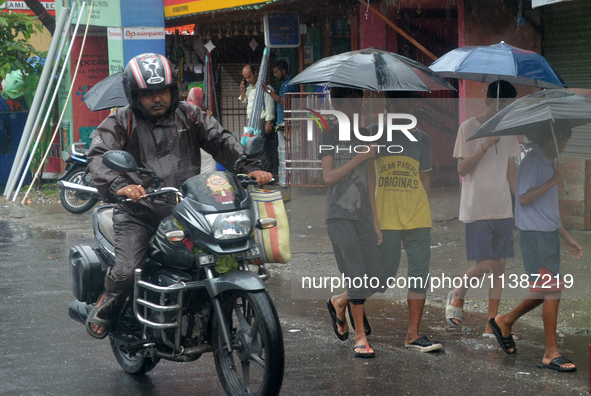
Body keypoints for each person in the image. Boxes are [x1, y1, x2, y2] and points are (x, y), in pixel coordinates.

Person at [85, 53, 272, 339]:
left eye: (162, 91)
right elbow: (99, 156)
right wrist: (120, 185)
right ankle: (106, 305)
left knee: (231, 252)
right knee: (126, 270)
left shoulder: (190, 114)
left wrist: (250, 167)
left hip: (187, 208)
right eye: (148, 94)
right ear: (135, 95)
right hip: (139, 211)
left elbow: (221, 140)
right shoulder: (121, 121)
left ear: (173, 91)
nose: (157, 99)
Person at [489, 126, 581, 372]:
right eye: (564, 140)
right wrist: (554, 180)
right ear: (555, 137)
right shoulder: (532, 162)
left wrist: (565, 236)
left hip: (548, 234)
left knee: (546, 290)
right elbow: (523, 199)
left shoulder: (549, 162)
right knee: (552, 289)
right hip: (535, 236)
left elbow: (547, 209)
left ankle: (504, 320)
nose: (564, 146)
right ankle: (550, 353)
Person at [367, 91, 442, 352]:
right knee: (383, 275)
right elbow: (368, 178)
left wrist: (424, 209)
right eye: (403, 105)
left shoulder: (422, 139)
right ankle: (343, 299)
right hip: (386, 217)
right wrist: (373, 219)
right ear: (390, 106)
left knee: (419, 275)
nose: (409, 111)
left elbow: (425, 179)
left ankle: (413, 334)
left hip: (418, 217)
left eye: (411, 106)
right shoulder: (374, 132)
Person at [447, 80, 520, 337]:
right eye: (500, 105)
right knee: (485, 264)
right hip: (476, 207)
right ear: (488, 101)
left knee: (500, 265)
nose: (503, 111)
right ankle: (458, 292)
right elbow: (462, 169)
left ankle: (492, 322)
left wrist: (520, 203)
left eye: (508, 107)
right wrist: (485, 145)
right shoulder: (469, 127)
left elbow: (511, 172)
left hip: (503, 208)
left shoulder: (510, 131)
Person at [320, 87, 384, 358]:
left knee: (378, 277)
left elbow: (370, 178)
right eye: (353, 101)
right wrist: (359, 156)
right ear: (340, 104)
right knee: (357, 274)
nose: (359, 105)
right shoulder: (329, 135)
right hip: (338, 215)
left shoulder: (368, 134)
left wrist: (376, 219)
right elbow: (329, 177)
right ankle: (360, 336)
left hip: (363, 216)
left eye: (360, 101)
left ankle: (339, 301)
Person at [262, 60, 299, 182]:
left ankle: (290, 179)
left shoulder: (290, 84)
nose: (275, 75)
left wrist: (269, 91)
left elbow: (285, 102)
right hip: (282, 122)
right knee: (283, 152)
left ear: (283, 71)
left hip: (287, 122)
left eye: (276, 72)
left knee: (287, 152)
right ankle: (286, 178)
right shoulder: (285, 84)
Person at [239, 64, 276, 174]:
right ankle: (257, 170)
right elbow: (245, 102)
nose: (247, 80)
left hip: (261, 121)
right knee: (252, 147)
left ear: (256, 73)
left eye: (249, 77)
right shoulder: (249, 88)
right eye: (245, 78)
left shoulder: (265, 88)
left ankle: (267, 171)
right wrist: (242, 91)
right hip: (251, 121)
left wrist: (268, 122)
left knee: (261, 148)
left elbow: (269, 105)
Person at [186, 86, 216, 173]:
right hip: (198, 141)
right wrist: (209, 117)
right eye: (202, 97)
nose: (203, 99)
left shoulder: (186, 107)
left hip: (189, 144)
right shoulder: (194, 109)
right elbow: (203, 126)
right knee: (209, 161)